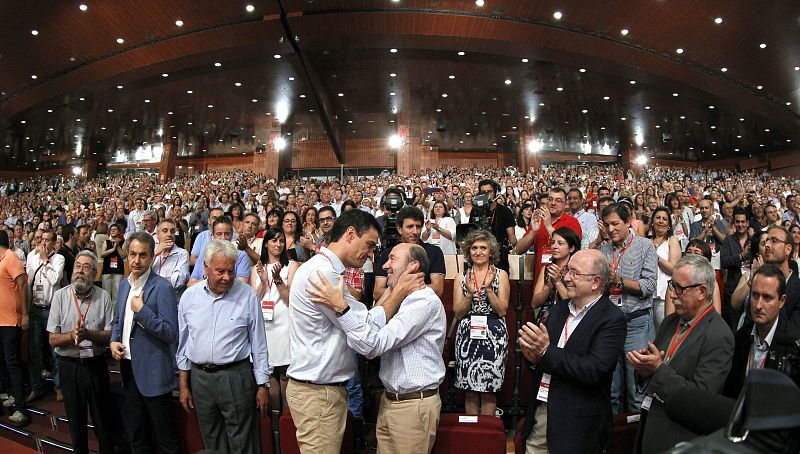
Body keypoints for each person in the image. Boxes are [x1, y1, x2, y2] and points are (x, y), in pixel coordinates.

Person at [306, 242, 445, 454]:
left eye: (393, 259)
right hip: (391, 401)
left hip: (413, 407)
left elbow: (373, 345)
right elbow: (372, 321)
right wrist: (395, 289)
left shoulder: (423, 302)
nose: (386, 265)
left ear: (413, 266)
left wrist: (341, 308)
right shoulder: (400, 297)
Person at [287, 209, 383, 454]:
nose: (371, 254)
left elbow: (361, 316)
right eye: (369, 245)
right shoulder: (324, 273)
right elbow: (363, 332)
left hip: (321, 390)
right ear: (351, 234)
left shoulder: (327, 269)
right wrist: (398, 294)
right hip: (318, 393)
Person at [519, 249, 627, 454]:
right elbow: (544, 359)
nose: (566, 278)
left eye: (574, 273)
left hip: (578, 425)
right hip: (542, 412)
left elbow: (593, 369)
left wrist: (544, 351)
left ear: (595, 282)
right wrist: (532, 357)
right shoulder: (559, 310)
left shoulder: (612, 319)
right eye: (567, 271)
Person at [628, 254, 734, 454]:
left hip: (680, 438)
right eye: (671, 285)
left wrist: (657, 370)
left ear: (702, 291)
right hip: (651, 428)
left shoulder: (719, 336)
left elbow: (701, 399)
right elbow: (655, 368)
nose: (672, 295)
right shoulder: (670, 322)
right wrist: (644, 369)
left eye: (680, 288)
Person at [177, 239, 270, 453]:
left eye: (231, 271)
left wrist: (262, 385)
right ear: (205, 267)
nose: (227, 277)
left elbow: (259, 344)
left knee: (244, 443)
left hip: (236, 376)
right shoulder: (189, 298)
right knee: (211, 442)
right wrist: (184, 385)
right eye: (220, 271)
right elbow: (183, 345)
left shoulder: (247, 296)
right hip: (200, 379)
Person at [109, 232, 181, 454]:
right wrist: (113, 341)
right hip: (129, 370)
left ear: (151, 257)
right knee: (137, 436)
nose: (136, 260)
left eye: (142, 255)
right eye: (132, 254)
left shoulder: (162, 287)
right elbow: (118, 321)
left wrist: (143, 312)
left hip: (154, 373)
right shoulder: (123, 285)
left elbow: (171, 333)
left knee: (165, 439)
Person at [47, 251, 115, 453]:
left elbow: (110, 335)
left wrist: (89, 335)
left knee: (103, 422)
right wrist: (73, 336)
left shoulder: (103, 297)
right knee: (76, 424)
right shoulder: (60, 296)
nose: (80, 271)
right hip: (69, 367)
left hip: (95, 365)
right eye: (77, 266)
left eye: (86, 267)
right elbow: (52, 339)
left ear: (94, 273)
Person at [597, 202, 658, 413]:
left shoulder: (644, 246)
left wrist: (619, 281)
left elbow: (649, 286)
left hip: (636, 324)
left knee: (636, 393)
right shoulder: (603, 250)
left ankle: (635, 442)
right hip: (609, 326)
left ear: (627, 222)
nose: (610, 229)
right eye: (607, 225)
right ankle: (614, 442)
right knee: (611, 391)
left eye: (615, 223)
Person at [453, 229, 510, 415]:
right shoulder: (461, 278)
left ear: (491, 251)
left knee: (488, 392)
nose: (478, 252)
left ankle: (486, 438)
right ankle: (473, 438)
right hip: (467, 337)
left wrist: (488, 289)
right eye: (474, 248)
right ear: (468, 251)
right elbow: (458, 313)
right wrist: (469, 293)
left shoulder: (501, 275)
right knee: (469, 391)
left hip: (494, 336)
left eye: (483, 248)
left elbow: (502, 310)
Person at [723, 264, 800, 397]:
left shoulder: (793, 346)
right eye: (755, 295)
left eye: (767, 298)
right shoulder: (740, 337)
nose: (758, 305)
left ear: (781, 301)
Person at [252, 227, 292, 410]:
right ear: (266, 243)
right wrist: (262, 280)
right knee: (268, 375)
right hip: (264, 325)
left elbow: (290, 300)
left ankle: (287, 417)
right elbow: (253, 301)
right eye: (274, 240)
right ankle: (275, 420)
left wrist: (277, 279)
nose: (278, 244)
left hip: (284, 323)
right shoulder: (257, 268)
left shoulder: (292, 266)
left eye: (281, 241)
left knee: (285, 374)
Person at [25, 228, 65, 403]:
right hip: (35, 308)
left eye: (48, 240)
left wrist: (45, 261)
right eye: (41, 239)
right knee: (34, 350)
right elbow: (28, 283)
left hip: (51, 310)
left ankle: (59, 387)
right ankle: (36, 387)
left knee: (54, 350)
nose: (44, 243)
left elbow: (55, 279)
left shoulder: (58, 259)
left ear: (54, 242)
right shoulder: (31, 258)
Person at [373, 206, 445, 300]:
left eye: (418, 227)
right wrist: (406, 289)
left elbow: (438, 289)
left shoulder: (434, 252)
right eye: (410, 227)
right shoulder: (388, 254)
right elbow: (377, 292)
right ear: (399, 229)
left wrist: (400, 290)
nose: (415, 232)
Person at [515, 188, 582, 281]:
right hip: (539, 279)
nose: (553, 203)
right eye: (550, 199)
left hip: (564, 280)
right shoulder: (539, 221)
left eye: (558, 200)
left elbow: (574, 249)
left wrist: (548, 225)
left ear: (565, 204)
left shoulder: (572, 222)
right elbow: (518, 250)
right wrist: (533, 231)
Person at [0, 230, 29, 424]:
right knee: (3, 361)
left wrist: (25, 314)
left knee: (13, 363)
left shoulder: (11, 258)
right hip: (1, 320)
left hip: (12, 321)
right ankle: (11, 392)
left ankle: (21, 407)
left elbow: (22, 285)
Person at [530, 227, 580, 325]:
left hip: (568, 319)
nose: (554, 246)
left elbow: (575, 304)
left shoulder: (576, 271)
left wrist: (557, 282)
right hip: (546, 319)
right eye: (553, 242)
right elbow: (534, 303)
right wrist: (548, 287)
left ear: (571, 248)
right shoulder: (546, 269)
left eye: (560, 243)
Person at [187, 216, 250, 287]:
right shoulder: (203, 256)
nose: (223, 238)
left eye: (227, 234)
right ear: (212, 236)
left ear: (232, 235)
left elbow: (242, 286)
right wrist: (207, 277)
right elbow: (190, 285)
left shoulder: (241, 256)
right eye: (219, 234)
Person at [471, 179, 518, 271]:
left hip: (499, 258)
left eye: (490, 191)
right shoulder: (475, 211)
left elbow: (512, 239)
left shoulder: (505, 211)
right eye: (483, 192)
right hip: (479, 257)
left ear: (496, 192)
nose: (487, 194)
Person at [649, 207, 681, 331]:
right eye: (657, 218)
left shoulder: (672, 241)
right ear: (652, 222)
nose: (661, 221)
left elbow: (673, 269)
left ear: (669, 224)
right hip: (648, 295)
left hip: (664, 295)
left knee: (664, 331)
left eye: (664, 219)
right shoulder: (647, 241)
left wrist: (655, 255)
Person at [720, 208, 752, 330]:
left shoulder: (753, 240)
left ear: (747, 223)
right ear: (734, 223)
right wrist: (741, 256)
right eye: (737, 222)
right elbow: (724, 261)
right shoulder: (728, 241)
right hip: (733, 289)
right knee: (734, 329)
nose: (740, 225)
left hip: (750, 290)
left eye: (743, 221)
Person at [151, 219, 190, 300]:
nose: (169, 234)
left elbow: (178, 281)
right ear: (157, 235)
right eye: (165, 231)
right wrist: (155, 254)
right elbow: (142, 273)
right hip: (152, 300)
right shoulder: (152, 252)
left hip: (171, 302)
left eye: (172, 231)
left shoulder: (182, 253)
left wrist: (150, 281)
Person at [100, 223, 127, 304]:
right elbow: (102, 254)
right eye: (111, 230)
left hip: (118, 271)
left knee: (116, 296)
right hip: (107, 271)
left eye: (115, 229)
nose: (113, 231)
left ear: (119, 231)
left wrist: (118, 246)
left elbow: (123, 256)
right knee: (106, 295)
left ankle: (115, 315)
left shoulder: (123, 242)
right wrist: (112, 249)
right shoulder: (106, 242)